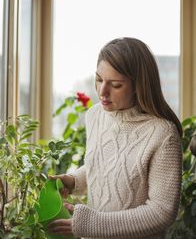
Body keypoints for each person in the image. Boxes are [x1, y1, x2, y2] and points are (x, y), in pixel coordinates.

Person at [48, 37, 183, 239]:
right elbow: (105, 164)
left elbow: (162, 211)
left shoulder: (163, 134)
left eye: (116, 85)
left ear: (139, 85)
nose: (102, 92)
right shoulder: (95, 116)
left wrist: (93, 223)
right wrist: (74, 181)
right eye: (99, 79)